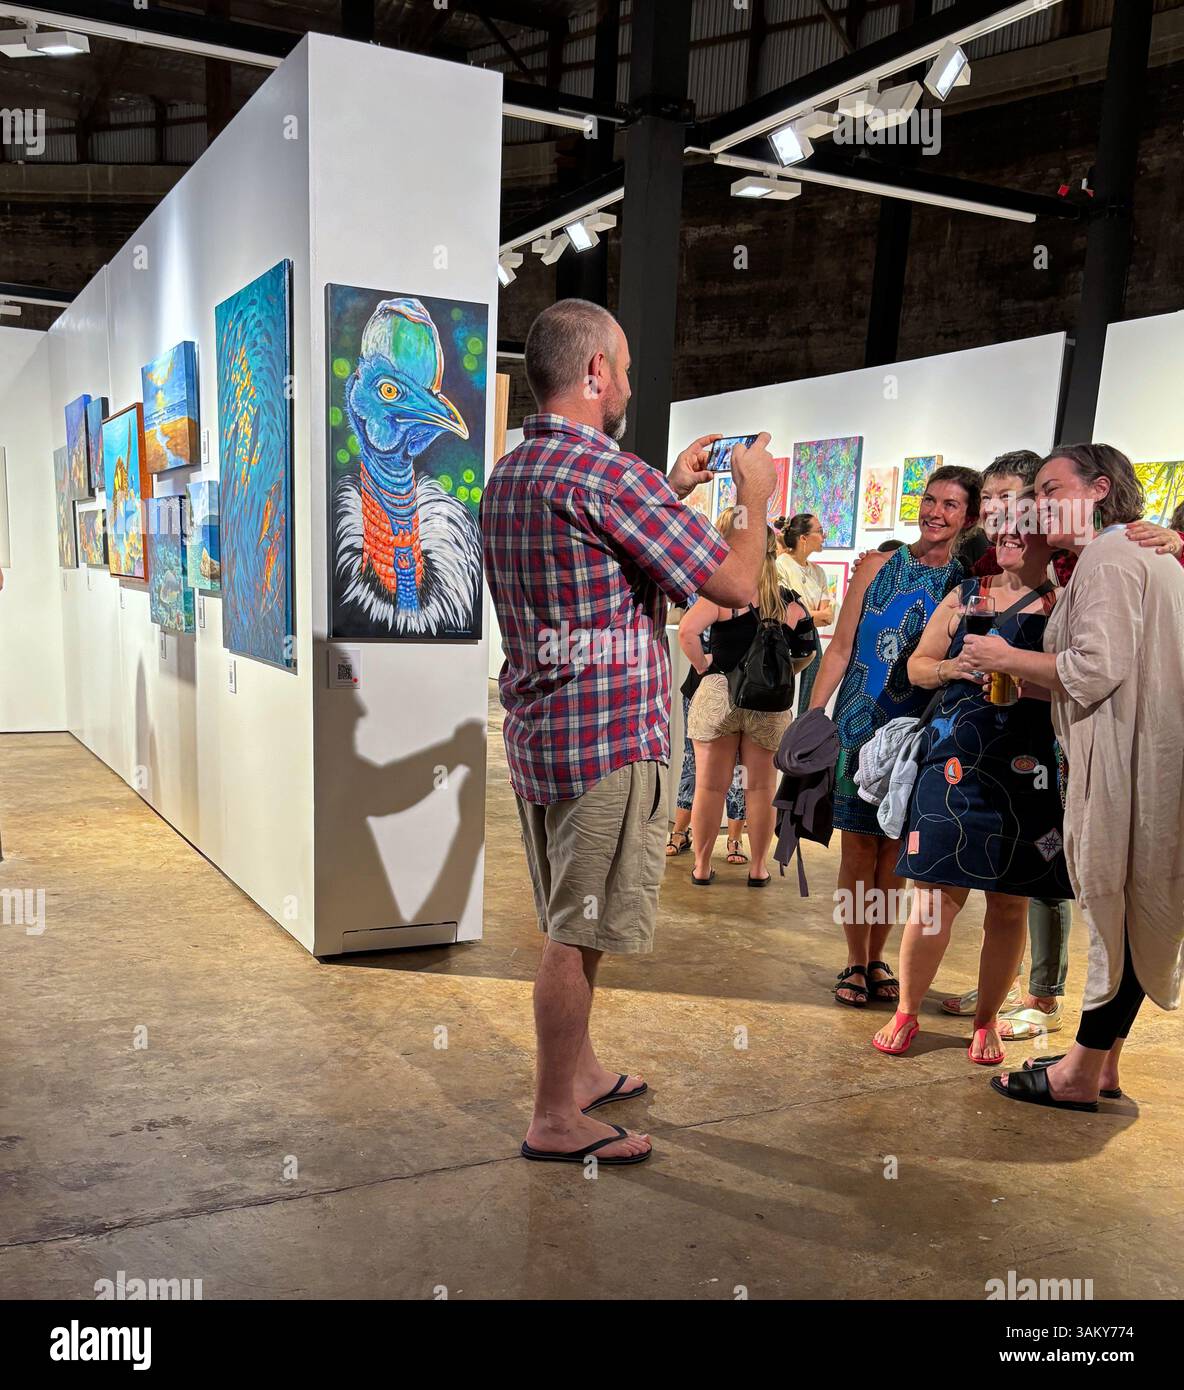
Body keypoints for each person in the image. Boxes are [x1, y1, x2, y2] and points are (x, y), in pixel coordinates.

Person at [482, 298, 777, 1163]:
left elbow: (602, 551)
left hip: (544, 733)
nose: (631, 384)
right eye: (625, 366)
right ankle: (554, 1119)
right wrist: (753, 503)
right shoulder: (611, 477)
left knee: (573, 918)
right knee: (576, 933)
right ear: (595, 373)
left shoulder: (512, 473)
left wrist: (675, 487)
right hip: (611, 740)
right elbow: (731, 587)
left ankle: (577, 1076)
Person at [964, 444, 1184, 1111]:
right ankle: (1100, 1061)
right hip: (1142, 755)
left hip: (1128, 765)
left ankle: (1080, 1074)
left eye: (1050, 486)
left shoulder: (1112, 559)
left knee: (1119, 908)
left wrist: (1006, 655)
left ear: (1097, 489)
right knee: (1134, 906)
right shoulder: (1142, 556)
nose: (1035, 500)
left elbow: (1093, 671)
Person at [872, 498, 1072, 1062]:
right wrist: (952, 668)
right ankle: (908, 1010)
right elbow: (916, 666)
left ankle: (985, 1021)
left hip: (1027, 769)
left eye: (1022, 528)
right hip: (953, 761)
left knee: (1009, 904)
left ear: (1047, 540)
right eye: (1002, 526)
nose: (1007, 536)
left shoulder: (1063, 607)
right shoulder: (965, 597)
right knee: (932, 897)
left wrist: (1021, 675)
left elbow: (1081, 677)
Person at [809, 466, 981, 1007]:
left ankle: (878, 957)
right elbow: (839, 648)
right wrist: (815, 715)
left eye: (950, 505)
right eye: (930, 500)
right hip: (860, 724)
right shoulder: (877, 567)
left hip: (920, 736)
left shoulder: (967, 585)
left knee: (894, 855)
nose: (935, 512)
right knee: (858, 850)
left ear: (968, 517)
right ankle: (855, 960)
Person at [681, 514, 815, 886]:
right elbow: (807, 651)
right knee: (760, 787)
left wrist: (704, 665)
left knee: (710, 785)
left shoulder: (726, 596)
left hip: (719, 694)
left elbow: (688, 632)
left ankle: (704, 866)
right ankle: (758, 868)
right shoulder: (789, 603)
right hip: (767, 703)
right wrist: (780, 672)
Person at [776, 514, 833, 715]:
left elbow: (827, 616)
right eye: (819, 531)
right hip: (787, 640)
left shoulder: (818, 572)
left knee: (810, 697)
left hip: (810, 637)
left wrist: (807, 615)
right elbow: (787, 612)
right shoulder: (781, 565)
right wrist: (810, 616)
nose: (823, 535)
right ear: (803, 538)